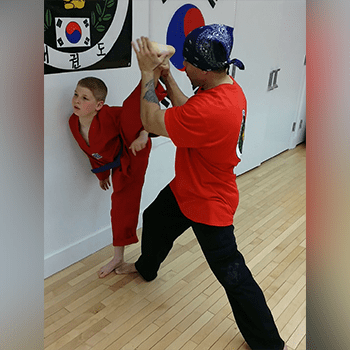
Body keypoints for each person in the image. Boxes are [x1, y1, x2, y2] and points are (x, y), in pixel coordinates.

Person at [115, 24, 288, 350]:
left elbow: (152, 121)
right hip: (188, 187)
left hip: (210, 200)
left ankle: (271, 345)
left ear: (205, 69)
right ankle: (146, 268)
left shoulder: (212, 109)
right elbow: (187, 110)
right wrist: (165, 77)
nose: (183, 67)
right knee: (154, 219)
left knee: (233, 276)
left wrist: (147, 75)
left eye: (187, 64)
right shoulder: (227, 88)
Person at [68, 46, 173, 278]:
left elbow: (140, 117)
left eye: (84, 97)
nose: (76, 100)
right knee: (119, 210)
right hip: (117, 161)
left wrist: (144, 133)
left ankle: (152, 73)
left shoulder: (109, 114)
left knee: (129, 108)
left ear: (99, 105)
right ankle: (118, 257)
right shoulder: (73, 124)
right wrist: (102, 175)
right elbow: (91, 154)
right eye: (76, 94)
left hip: (135, 150)